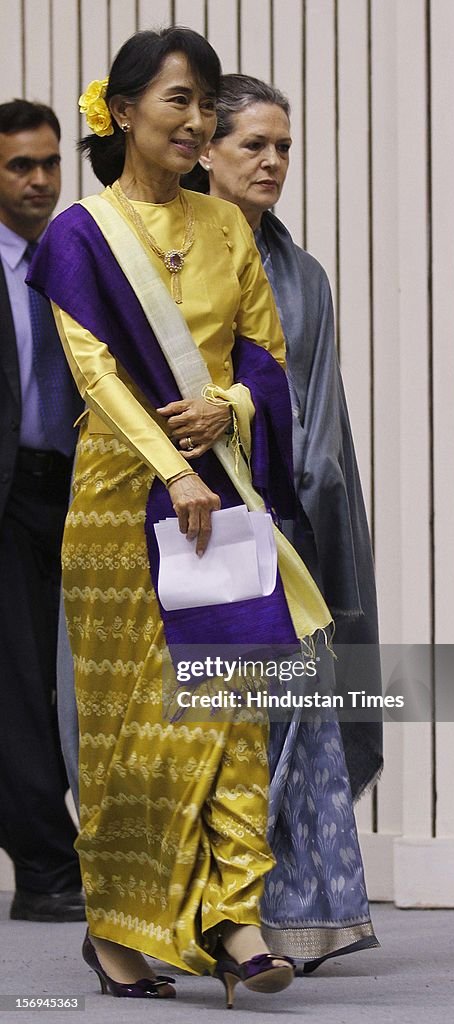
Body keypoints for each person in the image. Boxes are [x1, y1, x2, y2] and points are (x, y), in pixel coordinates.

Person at [27, 27, 334, 1005]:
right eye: (176, 100)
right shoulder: (80, 232)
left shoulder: (227, 227)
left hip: (223, 496)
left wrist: (227, 412)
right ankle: (119, 930)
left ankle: (235, 920)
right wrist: (174, 466)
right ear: (122, 113)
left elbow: (263, 361)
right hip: (125, 507)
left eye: (204, 101)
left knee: (231, 709)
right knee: (135, 728)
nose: (197, 119)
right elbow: (95, 373)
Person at [182, 74, 383, 969]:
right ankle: (189, 921)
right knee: (215, 732)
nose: (273, 161)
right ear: (206, 151)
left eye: (285, 147)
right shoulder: (174, 255)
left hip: (291, 532)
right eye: (254, 144)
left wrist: (323, 531)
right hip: (204, 527)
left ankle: (283, 923)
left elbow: (324, 420)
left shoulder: (303, 273)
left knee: (294, 727)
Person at [0, 99, 85, 923]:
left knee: (71, 682)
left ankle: (65, 860)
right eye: (20, 165)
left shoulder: (75, 255)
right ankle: (48, 871)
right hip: (7, 494)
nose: (38, 179)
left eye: (49, 163)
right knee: (19, 684)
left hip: (77, 489)